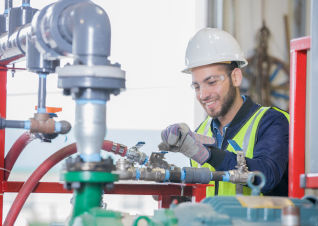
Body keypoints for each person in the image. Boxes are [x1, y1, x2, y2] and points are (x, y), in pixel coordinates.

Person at [158, 28, 289, 196]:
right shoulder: (200, 132)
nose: (203, 95)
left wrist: (210, 155)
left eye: (211, 82)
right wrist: (168, 186)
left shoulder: (271, 121)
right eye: (196, 86)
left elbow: (268, 175)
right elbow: (197, 194)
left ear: (236, 77)